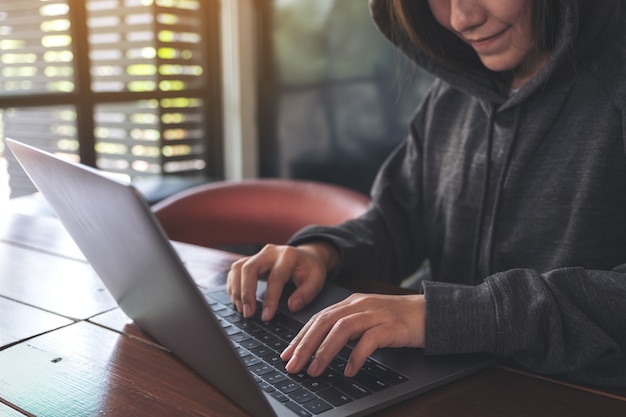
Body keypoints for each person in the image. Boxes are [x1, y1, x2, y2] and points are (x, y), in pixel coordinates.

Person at [227, 0, 626, 388]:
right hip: (446, 381)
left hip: (573, 393)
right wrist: (323, 252)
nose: (461, 18)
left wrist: (442, 317)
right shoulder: (450, 97)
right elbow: (398, 218)